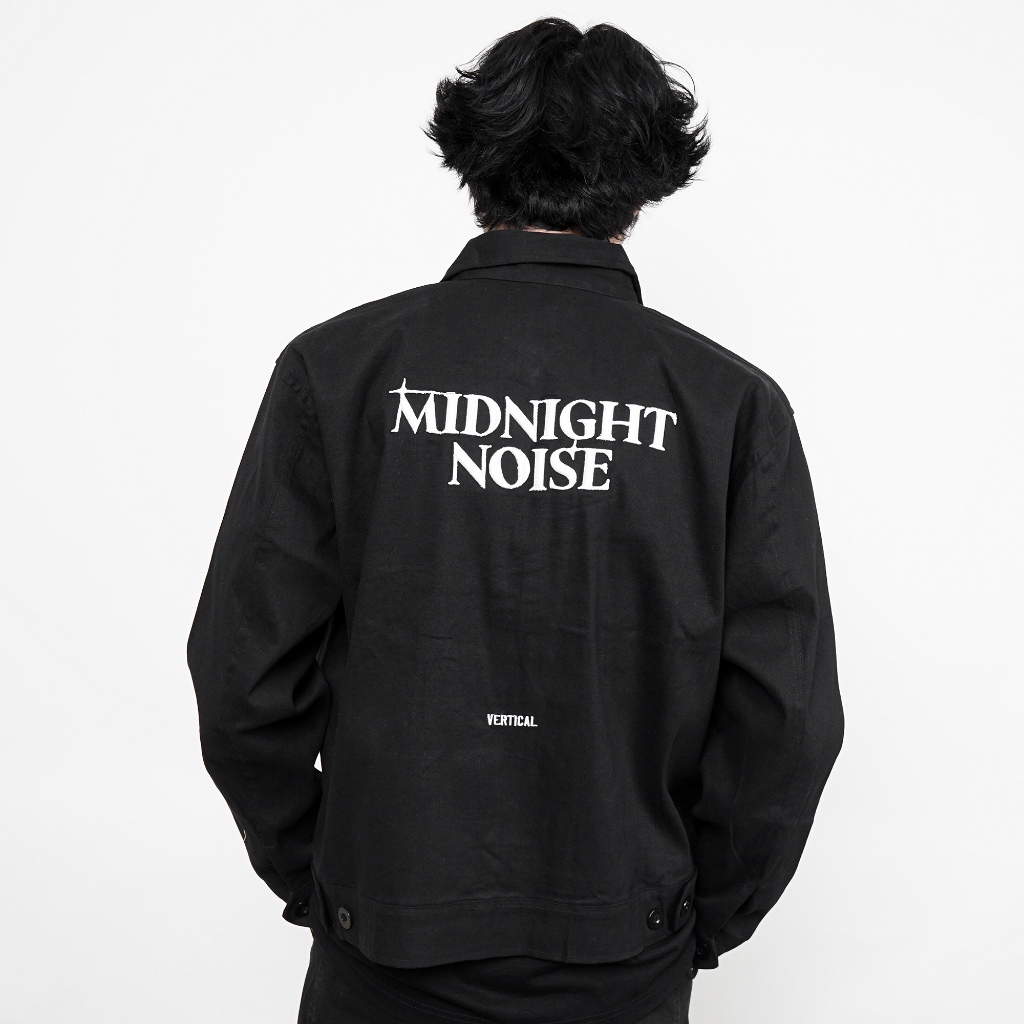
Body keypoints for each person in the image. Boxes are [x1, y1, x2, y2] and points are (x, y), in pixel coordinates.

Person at [186, 17, 844, 1024]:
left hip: (385, 944)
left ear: (473, 155)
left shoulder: (339, 370)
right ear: (647, 173)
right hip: (619, 957)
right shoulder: (727, 405)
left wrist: (327, 877)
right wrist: (698, 918)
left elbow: (243, 677)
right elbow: (785, 723)